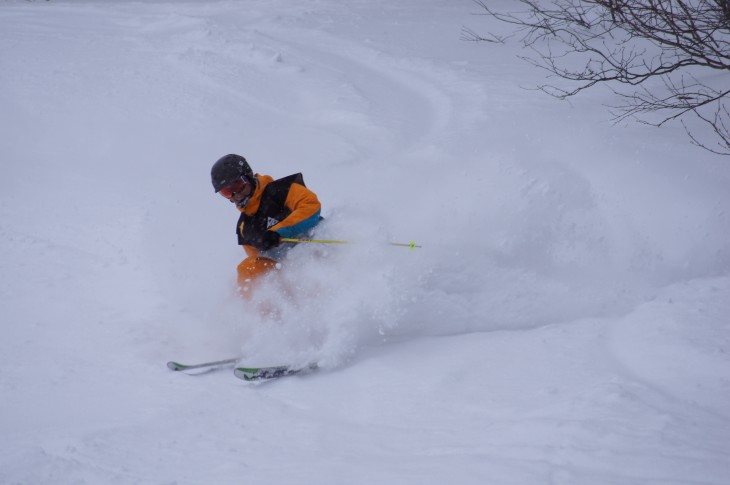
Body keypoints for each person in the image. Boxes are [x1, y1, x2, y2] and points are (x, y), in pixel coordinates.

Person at [211, 154, 322, 298]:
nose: (234, 194)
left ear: (248, 177)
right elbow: (259, 262)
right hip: (293, 273)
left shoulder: (281, 190)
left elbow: (311, 206)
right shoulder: (244, 228)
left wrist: (279, 232)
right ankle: (260, 315)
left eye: (237, 184)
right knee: (247, 268)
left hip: (318, 248)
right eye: (226, 192)